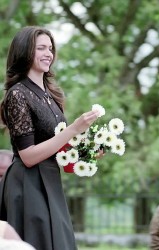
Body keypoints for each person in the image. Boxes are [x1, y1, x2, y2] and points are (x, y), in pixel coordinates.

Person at [0, 26, 103, 250]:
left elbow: (57, 148)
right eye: (41, 48)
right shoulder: (17, 94)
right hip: (27, 183)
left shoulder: (50, 95)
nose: (49, 53)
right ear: (25, 51)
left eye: (51, 48)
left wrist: (86, 152)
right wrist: (73, 129)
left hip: (50, 179)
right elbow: (27, 156)